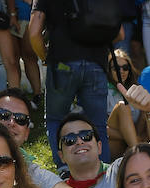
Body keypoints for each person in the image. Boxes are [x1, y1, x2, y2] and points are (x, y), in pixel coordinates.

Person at [30, 0, 116, 169]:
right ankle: (104, 174)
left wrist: (45, 57)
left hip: (62, 62)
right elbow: (118, 33)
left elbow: (34, 32)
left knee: (55, 119)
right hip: (97, 63)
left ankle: (65, 170)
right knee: (98, 124)